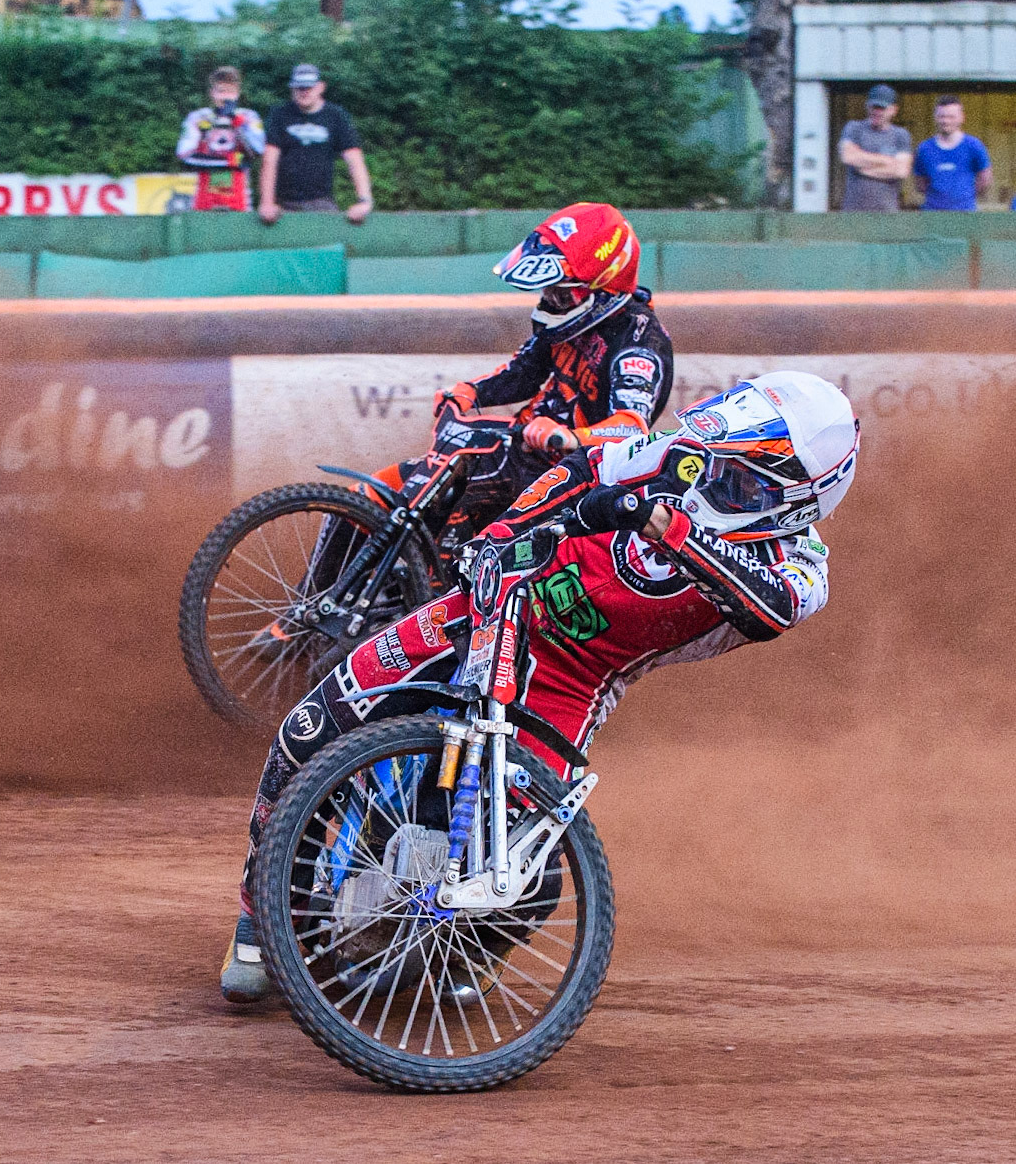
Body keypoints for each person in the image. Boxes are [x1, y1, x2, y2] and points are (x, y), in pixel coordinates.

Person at [221, 370, 861, 1001]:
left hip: (571, 682)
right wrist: (505, 535)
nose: (713, 479)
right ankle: (261, 914)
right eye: (721, 462)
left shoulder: (803, 571)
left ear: (801, 499)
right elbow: (580, 471)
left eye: (743, 478)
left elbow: (767, 608)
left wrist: (664, 524)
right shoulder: (682, 455)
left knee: (528, 864)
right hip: (493, 605)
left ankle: (469, 948)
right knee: (304, 734)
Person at [366, 203, 674, 550]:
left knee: (462, 531)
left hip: (571, 475)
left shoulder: (639, 342)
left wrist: (568, 436)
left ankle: (444, 587)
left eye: (560, 292)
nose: (549, 302)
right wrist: (472, 391)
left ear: (601, 287)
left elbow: (633, 429)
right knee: (373, 495)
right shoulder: (567, 321)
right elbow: (524, 372)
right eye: (547, 292)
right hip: (519, 450)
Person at [258, 64, 372, 225]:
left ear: (320, 87)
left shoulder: (336, 116)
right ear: (292, 89)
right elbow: (269, 160)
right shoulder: (280, 114)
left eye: (308, 87)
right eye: (299, 87)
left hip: (322, 202)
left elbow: (354, 159)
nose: (304, 91)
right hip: (283, 205)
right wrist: (267, 202)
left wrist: (364, 201)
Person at [176, 66, 266, 213]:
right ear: (212, 93)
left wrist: (238, 124)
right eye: (221, 91)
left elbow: (259, 149)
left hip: (238, 194)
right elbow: (183, 153)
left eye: (230, 92)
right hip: (205, 193)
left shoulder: (249, 116)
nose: (225, 97)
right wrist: (231, 160)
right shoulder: (198, 117)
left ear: (237, 94)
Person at [838, 84, 912, 211]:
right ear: (867, 106)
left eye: (882, 108)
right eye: (874, 107)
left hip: (887, 214)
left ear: (893, 110)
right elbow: (848, 157)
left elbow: (901, 171)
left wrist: (862, 168)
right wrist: (887, 161)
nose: (877, 112)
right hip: (853, 214)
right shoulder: (854, 128)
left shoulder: (901, 135)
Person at [913, 96, 992, 211]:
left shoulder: (974, 146)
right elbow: (920, 184)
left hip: (965, 215)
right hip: (933, 216)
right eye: (942, 116)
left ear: (961, 118)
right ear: (935, 117)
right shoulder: (924, 148)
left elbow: (985, 179)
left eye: (951, 117)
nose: (946, 121)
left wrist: (964, 196)